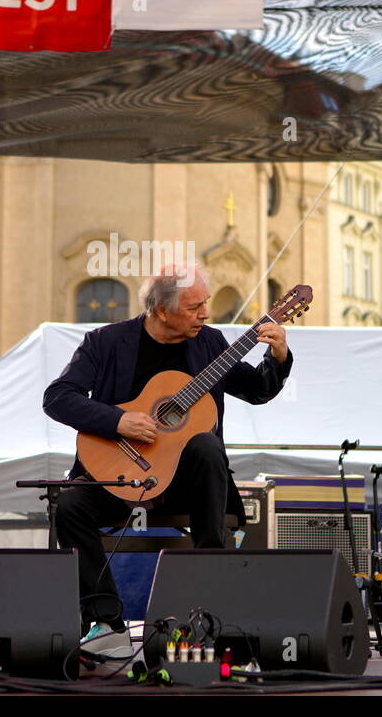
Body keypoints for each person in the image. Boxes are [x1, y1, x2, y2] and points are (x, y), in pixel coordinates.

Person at [42, 264, 293, 658]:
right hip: (119, 477)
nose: (205, 314)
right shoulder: (105, 342)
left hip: (186, 487)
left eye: (205, 304)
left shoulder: (210, 345)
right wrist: (119, 420)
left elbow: (258, 390)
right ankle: (106, 620)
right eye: (194, 308)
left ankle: (208, 599)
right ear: (161, 310)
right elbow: (57, 397)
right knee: (70, 505)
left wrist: (277, 355)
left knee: (206, 446)